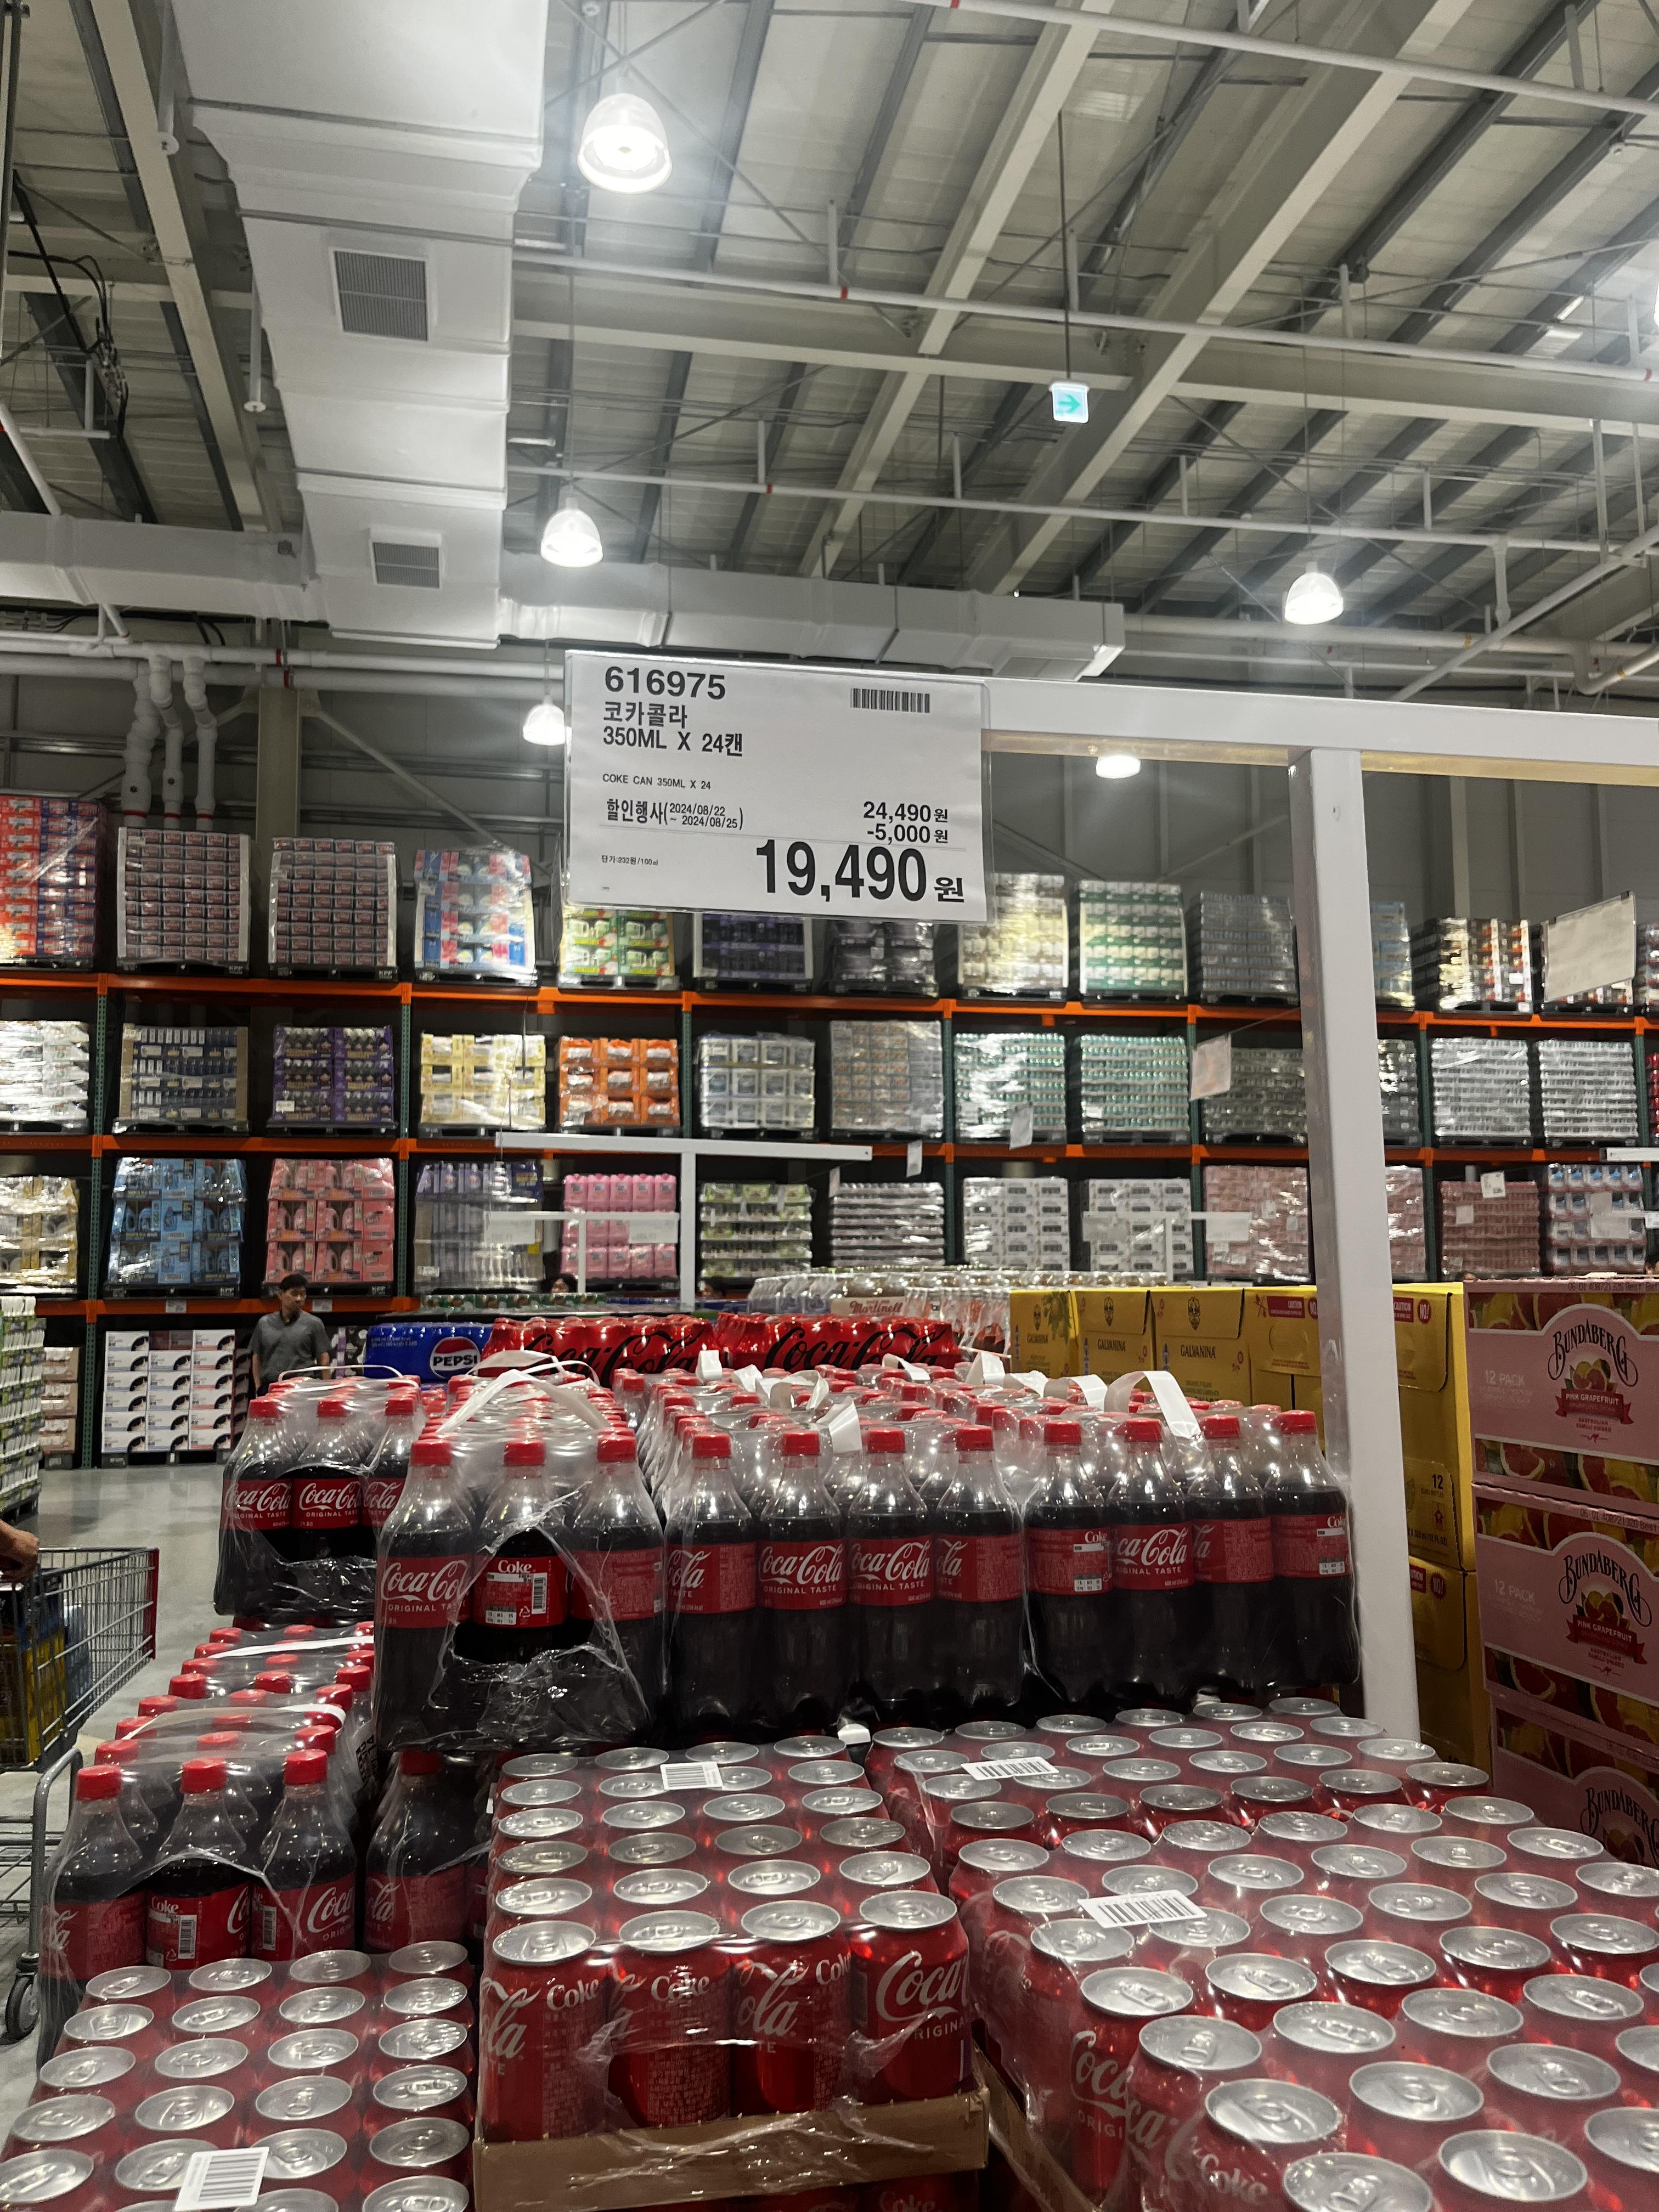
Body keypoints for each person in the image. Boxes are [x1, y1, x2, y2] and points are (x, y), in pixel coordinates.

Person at [250, 1273, 334, 1391]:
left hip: (302, 1389)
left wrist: (327, 1390)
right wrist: (258, 1388)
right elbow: (257, 1357)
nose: (299, 1299)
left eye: (303, 1294)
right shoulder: (264, 1323)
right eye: (294, 1294)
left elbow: (323, 1359)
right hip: (271, 1387)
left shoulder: (314, 1323)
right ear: (281, 1295)